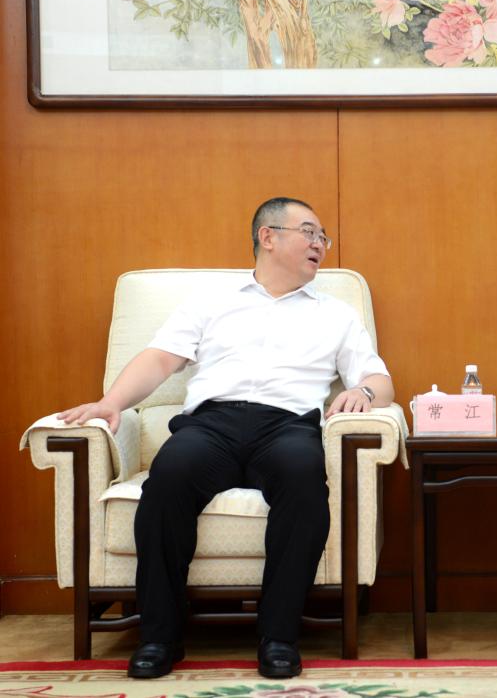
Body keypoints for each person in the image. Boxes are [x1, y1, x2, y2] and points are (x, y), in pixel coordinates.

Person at [58, 197, 394, 680]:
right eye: (309, 232)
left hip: (287, 427)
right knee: (168, 477)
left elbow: (379, 380)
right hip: (211, 425)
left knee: (304, 480)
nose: (320, 244)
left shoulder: (335, 314)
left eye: (323, 236)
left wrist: (363, 391)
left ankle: (278, 637)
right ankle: (159, 638)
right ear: (267, 236)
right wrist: (111, 402)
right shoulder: (211, 301)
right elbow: (160, 359)